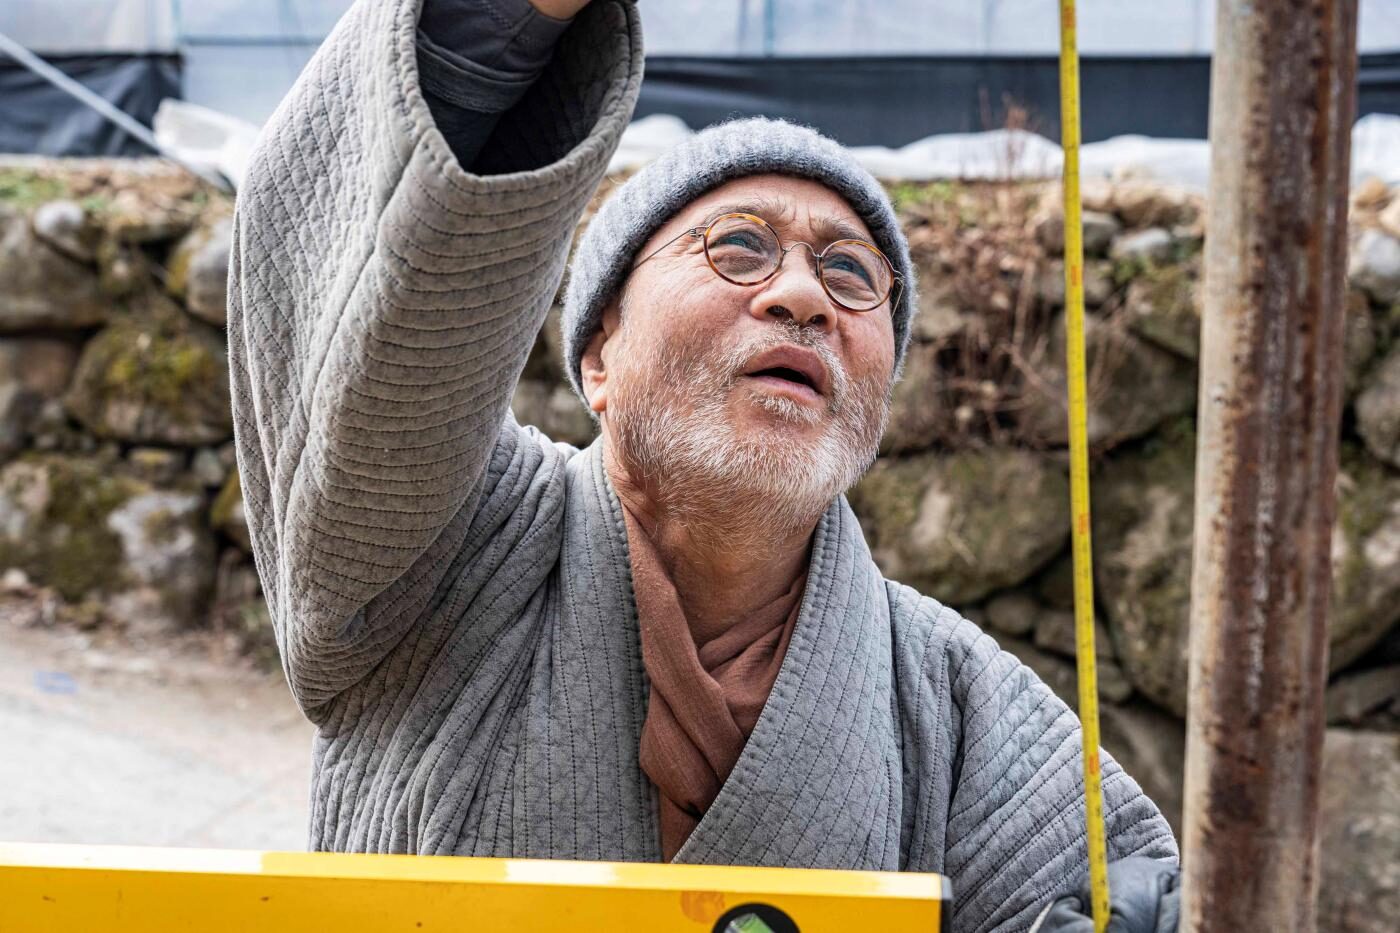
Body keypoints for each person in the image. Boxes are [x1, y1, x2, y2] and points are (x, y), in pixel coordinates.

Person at [227, 0, 1180, 929]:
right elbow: (367, 329)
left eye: (852, 273)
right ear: (598, 355)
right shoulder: (449, 551)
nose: (804, 296)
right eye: (740, 246)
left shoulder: (949, 696)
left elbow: (1123, 875)